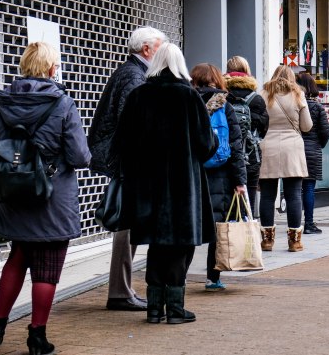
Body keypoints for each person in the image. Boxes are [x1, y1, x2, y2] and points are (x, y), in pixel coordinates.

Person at [0, 42, 91, 354]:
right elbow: (79, 155)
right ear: (51, 68)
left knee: (17, 257)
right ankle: (37, 337)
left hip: (13, 192)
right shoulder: (63, 102)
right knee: (46, 267)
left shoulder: (1, 102)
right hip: (51, 196)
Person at [113, 42, 217, 324]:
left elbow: (122, 141)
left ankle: (155, 307)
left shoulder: (138, 96)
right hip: (184, 187)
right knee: (181, 245)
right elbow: (207, 145)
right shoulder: (189, 97)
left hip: (146, 186)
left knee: (156, 244)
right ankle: (175, 307)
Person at [88, 26, 166, 311]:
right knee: (127, 222)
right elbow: (133, 121)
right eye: (160, 46)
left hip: (123, 156)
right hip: (127, 160)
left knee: (128, 221)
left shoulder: (130, 72)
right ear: (147, 49)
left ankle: (122, 290)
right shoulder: (134, 75)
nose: (162, 52)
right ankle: (120, 292)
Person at [190, 63, 247, 291]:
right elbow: (235, 146)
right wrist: (239, 181)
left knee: (189, 225)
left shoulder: (188, 102)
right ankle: (213, 278)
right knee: (218, 229)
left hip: (193, 172)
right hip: (221, 175)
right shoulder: (225, 105)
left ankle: (178, 275)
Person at [258, 65, 313, 252]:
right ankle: (294, 241)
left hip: (268, 146)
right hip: (292, 148)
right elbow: (306, 126)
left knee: (267, 195)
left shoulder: (264, 94)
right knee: (294, 195)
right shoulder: (298, 95)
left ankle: (266, 241)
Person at [224, 56, 269, 216]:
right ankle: (246, 232)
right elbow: (264, 128)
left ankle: (226, 235)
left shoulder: (223, 96)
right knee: (248, 196)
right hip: (251, 156)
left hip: (226, 155)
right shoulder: (256, 98)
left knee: (226, 199)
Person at [297, 73, 329, 234]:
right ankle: (309, 223)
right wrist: (318, 145)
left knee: (295, 188)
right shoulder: (317, 107)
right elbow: (326, 131)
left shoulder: (295, 104)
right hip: (312, 149)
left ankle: (294, 223)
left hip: (295, 149)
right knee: (309, 187)